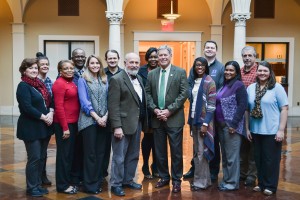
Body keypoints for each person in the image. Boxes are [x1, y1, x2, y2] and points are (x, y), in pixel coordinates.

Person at [145, 45, 189, 193]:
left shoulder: (180, 72)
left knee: (176, 151)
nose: (162, 57)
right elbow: (147, 94)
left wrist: (169, 111)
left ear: (171, 55)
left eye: (165, 55)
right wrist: (156, 109)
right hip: (157, 119)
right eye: (160, 55)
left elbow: (184, 94)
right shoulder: (152, 74)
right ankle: (164, 177)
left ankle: (176, 180)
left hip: (174, 118)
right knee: (159, 151)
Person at [246, 61, 288, 196]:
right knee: (258, 159)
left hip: (272, 130)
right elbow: (247, 110)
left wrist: (281, 130)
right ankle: (262, 183)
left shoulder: (277, 87)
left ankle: (270, 185)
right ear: (256, 72)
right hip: (255, 130)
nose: (262, 73)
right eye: (260, 71)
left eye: (265, 71)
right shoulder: (251, 88)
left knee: (271, 160)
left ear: (270, 72)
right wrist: (247, 129)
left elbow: (284, 109)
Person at [184, 40, 224, 181]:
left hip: (211, 112)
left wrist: (208, 99)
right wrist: (193, 97)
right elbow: (189, 84)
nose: (209, 49)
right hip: (196, 112)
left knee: (211, 142)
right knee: (197, 146)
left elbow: (220, 88)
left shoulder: (220, 68)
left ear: (216, 50)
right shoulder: (195, 66)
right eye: (207, 47)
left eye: (212, 47)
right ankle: (196, 170)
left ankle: (212, 171)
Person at [108, 52, 147, 197]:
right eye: (131, 62)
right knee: (119, 157)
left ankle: (128, 180)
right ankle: (116, 184)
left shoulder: (140, 79)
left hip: (137, 123)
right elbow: (113, 106)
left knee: (133, 155)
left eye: (137, 63)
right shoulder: (116, 79)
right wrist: (117, 127)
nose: (135, 65)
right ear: (125, 63)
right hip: (122, 126)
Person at [16, 58, 53, 197]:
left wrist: (51, 112)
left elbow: (48, 101)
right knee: (35, 157)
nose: (34, 70)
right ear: (24, 70)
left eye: (35, 68)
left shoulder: (39, 84)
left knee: (42, 157)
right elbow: (26, 107)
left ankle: (37, 184)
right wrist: (44, 117)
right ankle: (31, 187)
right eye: (31, 68)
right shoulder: (23, 86)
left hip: (43, 127)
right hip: (31, 127)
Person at [77, 55, 109, 194]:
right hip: (89, 121)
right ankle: (89, 185)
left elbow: (109, 100)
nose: (95, 65)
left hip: (104, 121)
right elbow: (84, 102)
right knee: (90, 154)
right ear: (88, 65)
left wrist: (106, 116)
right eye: (92, 63)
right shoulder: (82, 80)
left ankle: (97, 181)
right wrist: (97, 118)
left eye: (97, 63)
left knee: (100, 153)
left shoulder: (104, 79)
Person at [215, 61, 247, 191]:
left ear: (236, 72)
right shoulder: (225, 85)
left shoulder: (239, 85)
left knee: (232, 157)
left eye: (231, 70)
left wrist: (233, 124)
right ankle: (226, 180)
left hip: (231, 127)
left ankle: (233, 183)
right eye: (226, 70)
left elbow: (242, 106)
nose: (228, 72)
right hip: (221, 126)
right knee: (226, 155)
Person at [187, 57, 216, 190]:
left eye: (202, 65)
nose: (200, 67)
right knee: (197, 153)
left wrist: (205, 124)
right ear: (194, 66)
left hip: (203, 122)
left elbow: (211, 106)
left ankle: (200, 183)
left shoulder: (209, 81)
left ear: (206, 67)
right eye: (197, 65)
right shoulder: (194, 81)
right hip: (194, 120)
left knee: (201, 153)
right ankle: (206, 180)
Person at [52, 60, 80, 194]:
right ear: (60, 71)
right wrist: (65, 128)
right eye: (66, 68)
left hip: (74, 123)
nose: (69, 70)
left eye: (71, 68)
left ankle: (69, 180)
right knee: (64, 156)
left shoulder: (72, 82)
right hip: (64, 124)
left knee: (71, 155)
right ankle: (62, 185)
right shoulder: (59, 84)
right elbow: (58, 107)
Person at [138, 47, 159, 179]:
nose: (153, 59)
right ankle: (145, 165)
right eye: (150, 57)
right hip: (146, 110)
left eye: (155, 56)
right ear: (147, 58)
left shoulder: (162, 70)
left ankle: (156, 166)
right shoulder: (141, 71)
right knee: (147, 137)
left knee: (159, 139)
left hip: (159, 109)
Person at [103, 49, 123, 179]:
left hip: (119, 116)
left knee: (119, 150)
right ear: (106, 60)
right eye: (109, 58)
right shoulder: (101, 73)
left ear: (118, 59)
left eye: (114, 58)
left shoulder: (124, 73)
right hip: (103, 116)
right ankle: (102, 173)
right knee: (103, 148)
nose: (112, 60)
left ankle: (118, 177)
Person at [240, 46, 258, 186]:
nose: (247, 58)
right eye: (245, 55)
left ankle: (252, 175)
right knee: (242, 146)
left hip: (255, 114)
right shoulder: (239, 72)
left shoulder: (260, 72)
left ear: (254, 57)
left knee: (253, 146)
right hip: (240, 115)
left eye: (250, 55)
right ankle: (242, 173)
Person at [36, 52, 54, 186]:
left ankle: (43, 176)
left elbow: (52, 101)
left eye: (47, 64)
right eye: (42, 64)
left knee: (44, 151)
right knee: (36, 154)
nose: (45, 66)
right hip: (37, 120)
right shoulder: (33, 81)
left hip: (48, 120)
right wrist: (43, 116)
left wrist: (50, 114)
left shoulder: (49, 81)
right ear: (37, 66)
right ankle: (35, 179)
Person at [70, 48, 86, 186]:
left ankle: (82, 174)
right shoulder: (68, 72)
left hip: (87, 116)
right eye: (77, 56)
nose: (80, 58)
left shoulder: (88, 71)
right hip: (73, 117)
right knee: (74, 147)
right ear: (72, 58)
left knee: (84, 147)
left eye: (82, 56)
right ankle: (74, 175)